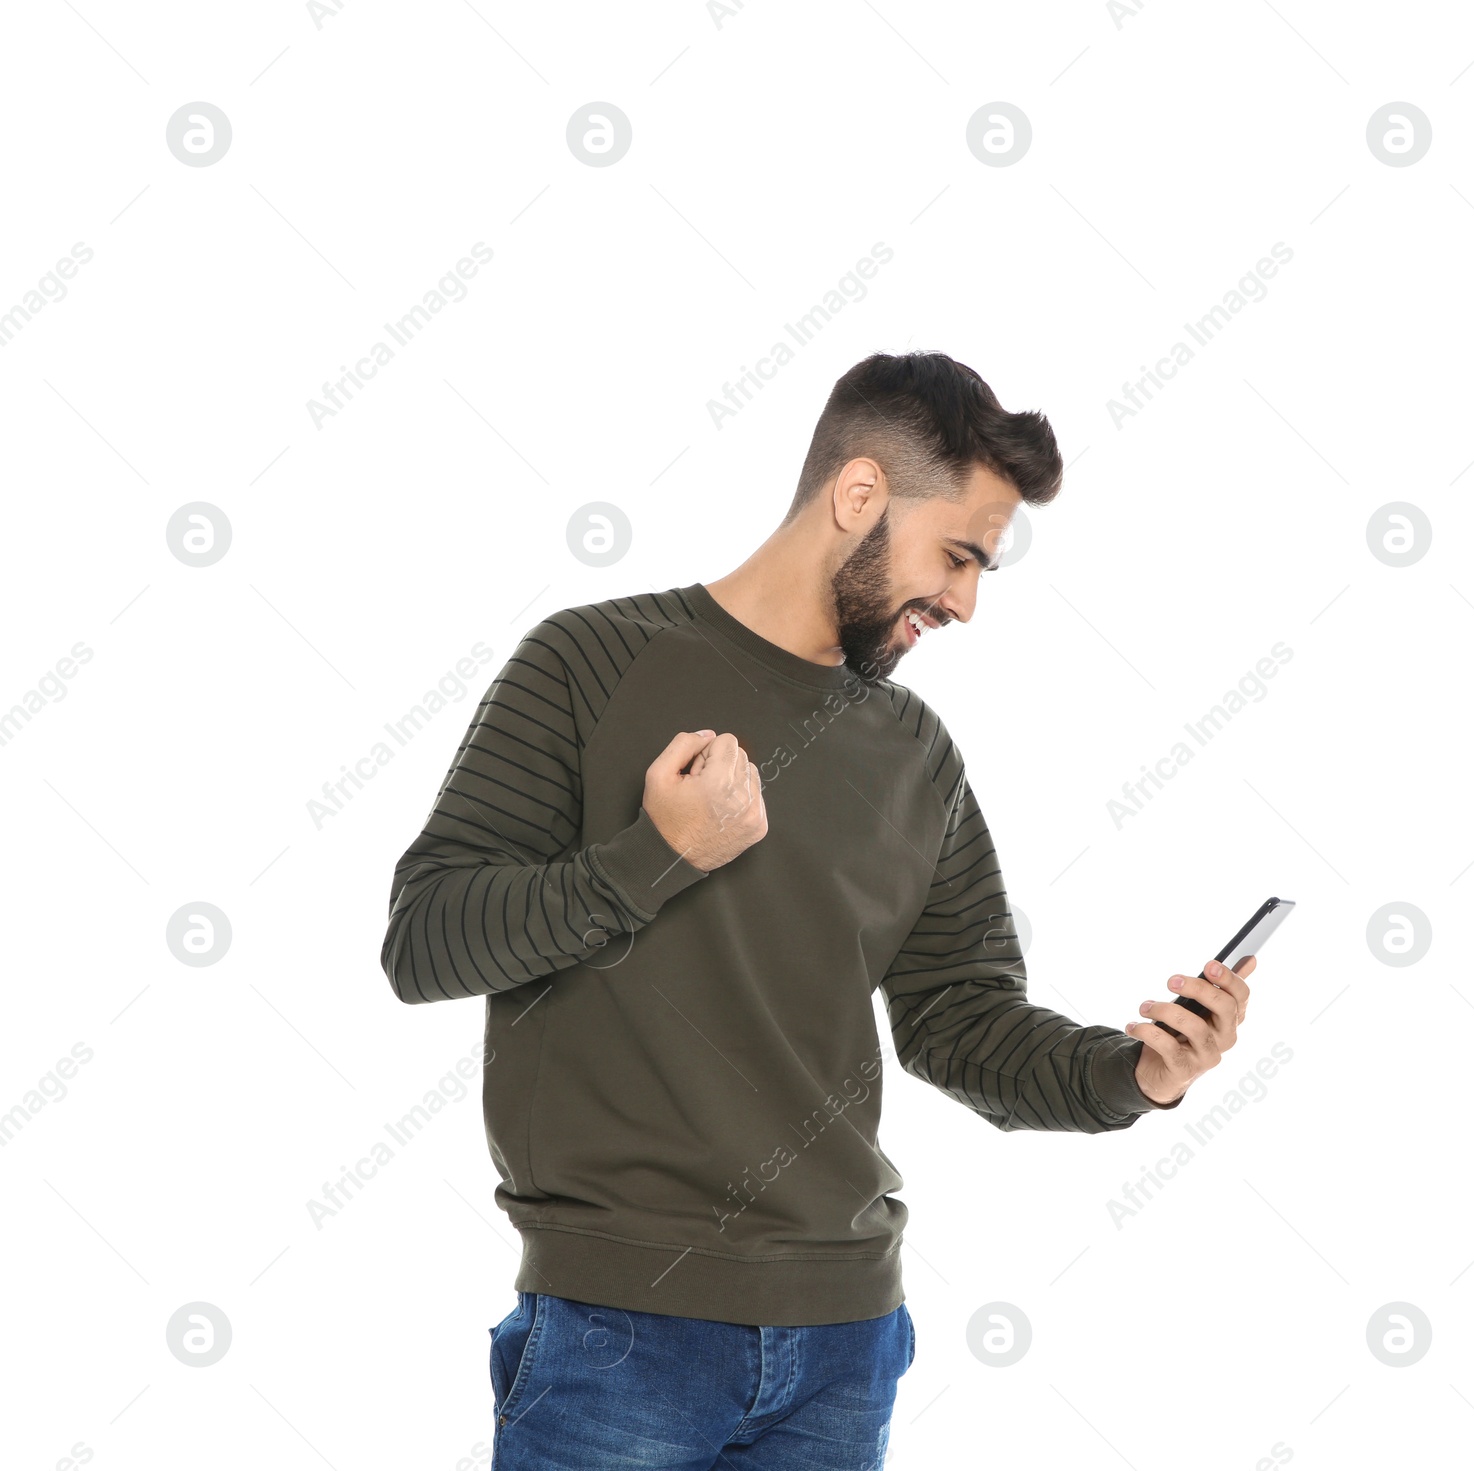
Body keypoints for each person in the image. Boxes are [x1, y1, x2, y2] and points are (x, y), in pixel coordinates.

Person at [379, 351, 1256, 1470]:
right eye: (958, 555)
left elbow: (960, 1021)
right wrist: (655, 857)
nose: (966, 603)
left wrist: (1135, 1072)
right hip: (619, 1334)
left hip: (845, 1345)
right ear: (857, 497)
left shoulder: (914, 755)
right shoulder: (590, 661)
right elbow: (425, 939)